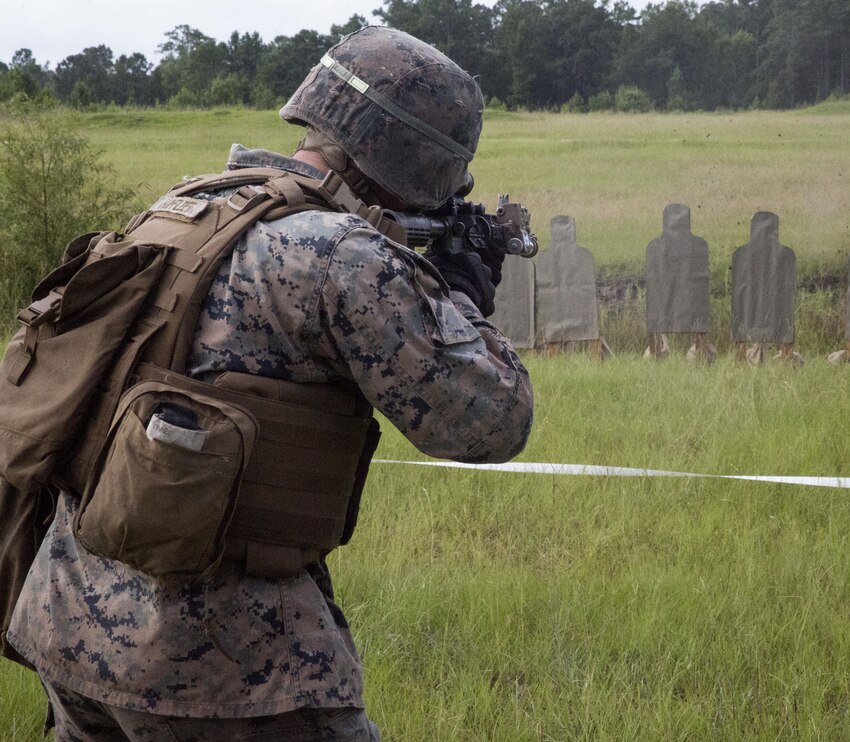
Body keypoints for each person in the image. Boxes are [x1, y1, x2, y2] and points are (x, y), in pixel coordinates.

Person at [4, 26, 533, 740]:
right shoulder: (344, 254)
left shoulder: (186, 206)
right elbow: (490, 421)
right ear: (414, 156)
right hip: (228, 669)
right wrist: (462, 296)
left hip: (69, 630)